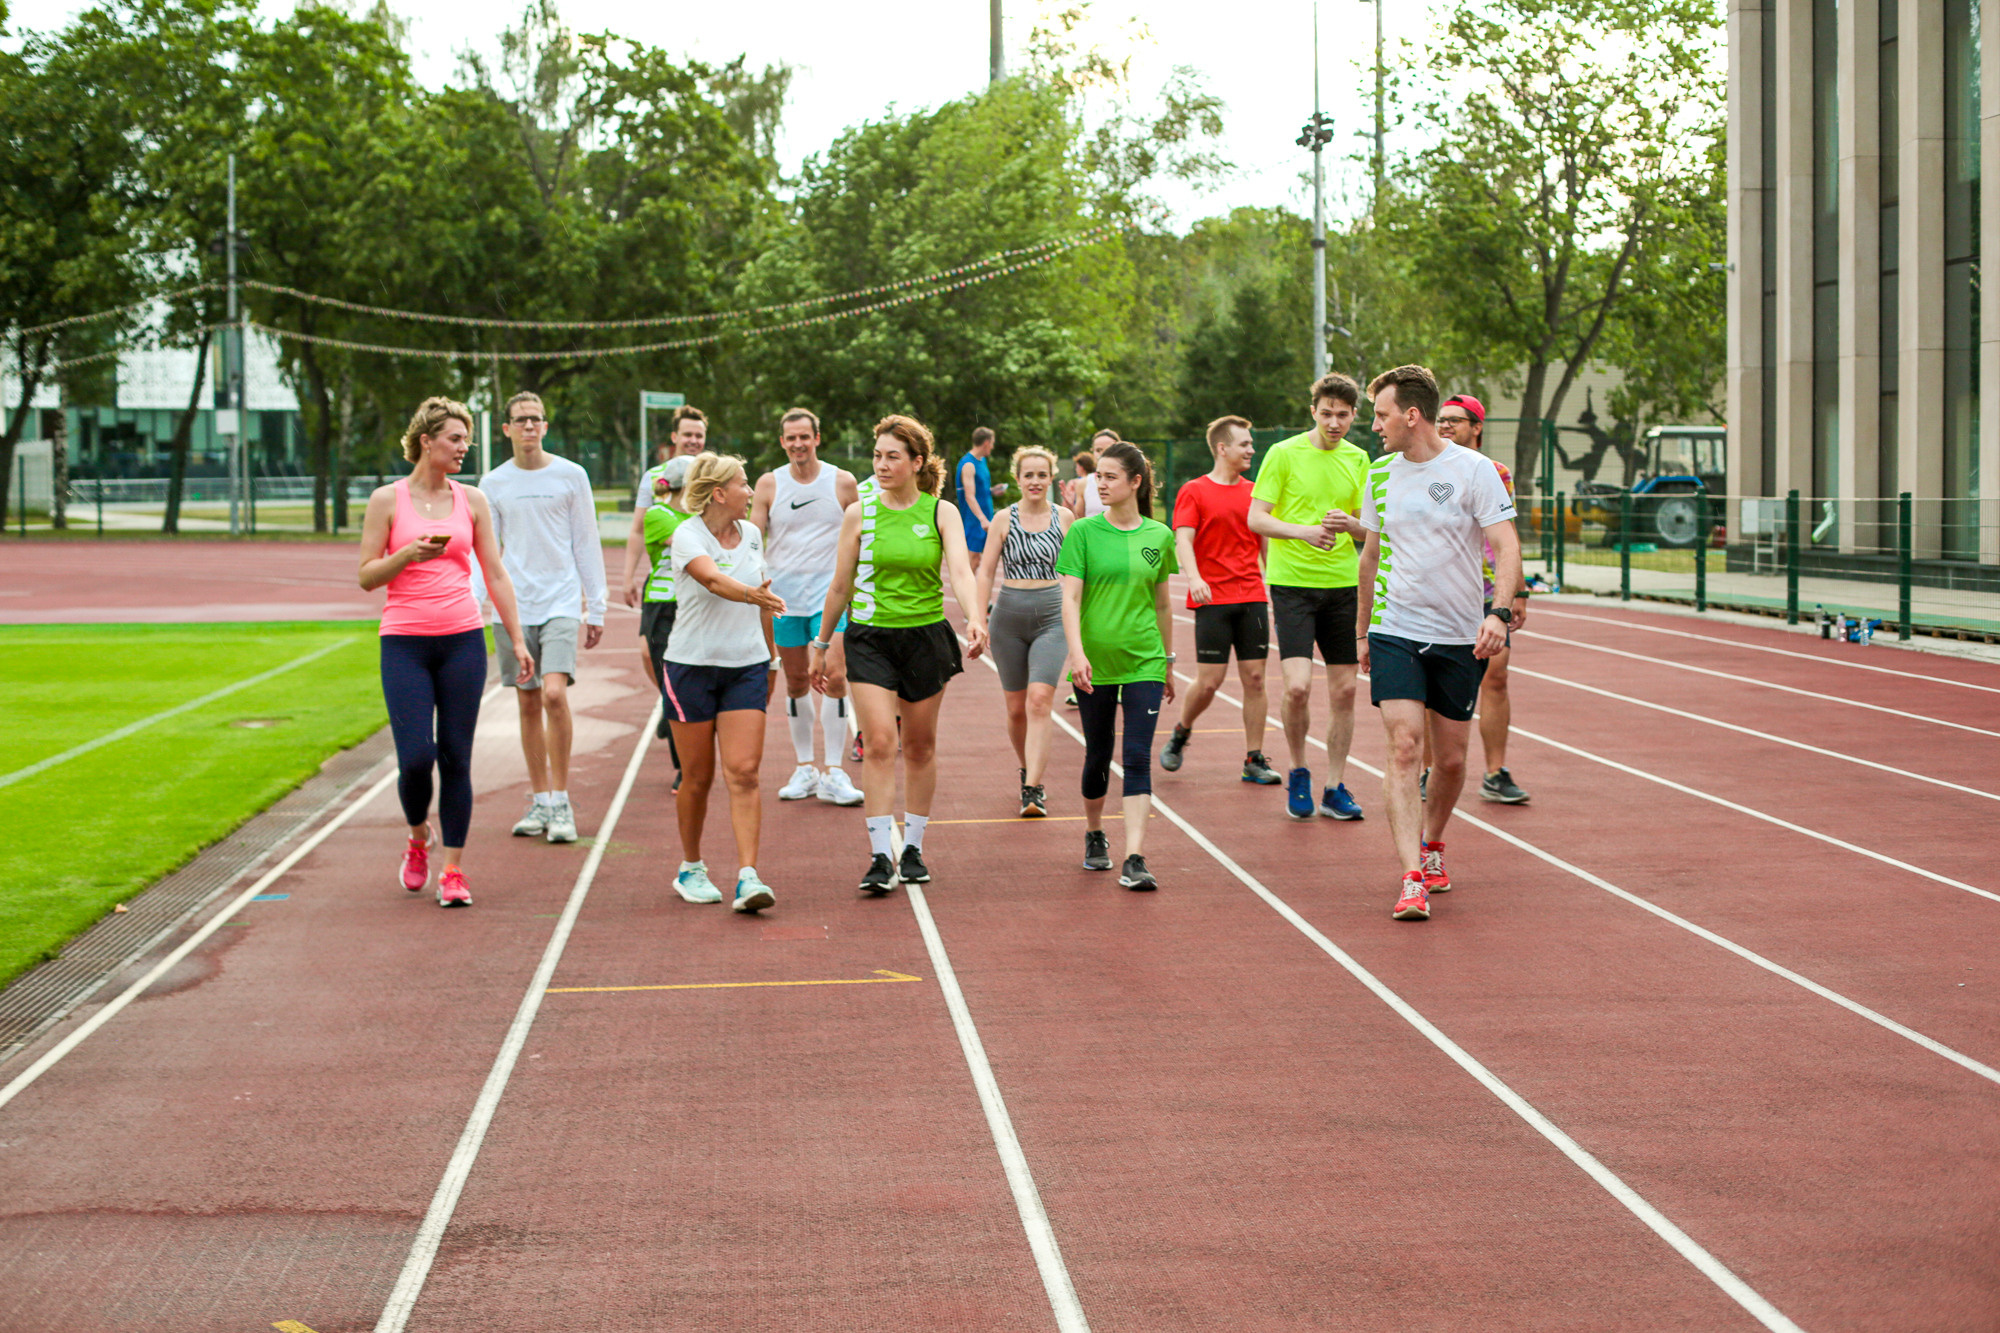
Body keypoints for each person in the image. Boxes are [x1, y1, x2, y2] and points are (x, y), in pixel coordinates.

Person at [1355, 365, 1522, 922]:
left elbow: (1505, 545)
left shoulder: (1476, 471)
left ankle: (1432, 844)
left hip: (1458, 635)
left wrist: (1499, 612)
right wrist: (1362, 631)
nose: (1374, 425)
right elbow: (1370, 557)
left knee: (1449, 760)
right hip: (1395, 628)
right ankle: (1411, 878)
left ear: (1411, 415)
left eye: (1381, 415)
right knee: (1404, 747)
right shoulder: (1379, 474)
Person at [359, 397, 535, 908]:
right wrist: (407, 554)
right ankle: (418, 837)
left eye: (466, 440)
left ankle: (453, 870)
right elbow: (367, 575)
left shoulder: (472, 500)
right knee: (416, 759)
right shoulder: (387, 500)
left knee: (457, 758)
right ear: (426, 441)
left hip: (462, 641)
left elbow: (495, 572)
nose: (464, 448)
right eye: (455, 439)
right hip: (404, 643)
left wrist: (516, 639)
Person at [811, 415, 990, 895]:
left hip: (925, 639)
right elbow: (840, 585)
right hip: (870, 639)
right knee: (879, 743)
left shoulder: (941, 513)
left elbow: (961, 571)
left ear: (916, 462)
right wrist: (822, 645)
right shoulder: (860, 514)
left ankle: (912, 848)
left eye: (893, 457)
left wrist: (975, 617)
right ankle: (878, 856)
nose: (882, 465)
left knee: (920, 746)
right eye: (877, 456)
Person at [479, 392, 607, 845]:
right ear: (506, 429)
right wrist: (480, 602)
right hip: (515, 606)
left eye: (536, 419)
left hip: (561, 602)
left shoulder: (571, 476)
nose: (529, 426)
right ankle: (540, 800)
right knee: (528, 701)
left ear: (546, 427)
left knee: (554, 694)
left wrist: (597, 604)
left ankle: (562, 799)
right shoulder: (493, 483)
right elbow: (487, 551)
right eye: (520, 420)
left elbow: (586, 541)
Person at [662, 452, 786, 913]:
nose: (750, 491)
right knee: (697, 777)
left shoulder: (751, 534)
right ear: (718, 493)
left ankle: (748, 876)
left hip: (746, 666)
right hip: (690, 667)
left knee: (745, 772)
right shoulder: (687, 535)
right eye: (743, 483)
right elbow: (712, 581)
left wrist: (771, 660)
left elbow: (764, 599)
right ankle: (691, 867)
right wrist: (753, 594)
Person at [1247, 373, 1371, 822]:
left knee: (1345, 691)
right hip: (1293, 585)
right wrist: (1304, 532)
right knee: (1297, 687)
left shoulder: (1359, 459)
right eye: (1326, 414)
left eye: (1343, 415)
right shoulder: (1283, 454)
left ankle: (1335, 786)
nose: (1334, 423)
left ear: (1354, 416)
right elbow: (1256, 518)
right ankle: (1299, 770)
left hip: (1343, 586)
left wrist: (1351, 526)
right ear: (1313, 411)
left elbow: (1368, 529)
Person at [1057, 442, 1177, 890]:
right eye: (1098, 477)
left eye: (1110, 477)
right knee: (1098, 752)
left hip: (1145, 659)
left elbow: (1163, 605)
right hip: (1095, 662)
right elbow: (1070, 598)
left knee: (1137, 755)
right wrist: (1077, 653)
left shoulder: (1159, 536)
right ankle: (1094, 832)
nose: (1101, 484)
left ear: (1135, 482)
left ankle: (1135, 857)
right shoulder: (1083, 533)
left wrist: (1167, 662)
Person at [1159, 416, 1281, 785]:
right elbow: (1183, 539)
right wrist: (1194, 577)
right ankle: (1182, 729)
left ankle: (1254, 758)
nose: (1252, 450)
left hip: (1251, 596)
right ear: (1222, 448)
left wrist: (1275, 587)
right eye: (1245, 444)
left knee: (1256, 678)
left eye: (1251, 444)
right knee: (1210, 682)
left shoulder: (1255, 493)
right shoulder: (1194, 490)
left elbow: (1266, 544)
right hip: (1212, 598)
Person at [752, 407, 864, 807]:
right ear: (782, 442)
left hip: (828, 597)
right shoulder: (769, 484)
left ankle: (833, 771)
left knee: (835, 676)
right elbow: (753, 540)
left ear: (817, 438)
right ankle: (805, 768)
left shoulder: (842, 482)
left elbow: (862, 536)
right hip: (784, 600)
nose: (798, 444)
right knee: (796, 681)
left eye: (804, 436)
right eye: (791, 438)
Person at [1432, 394, 1531, 804]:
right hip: (1441, 590)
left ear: (1477, 427)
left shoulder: (1495, 472)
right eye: (1441, 419)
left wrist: (1519, 590)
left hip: (1489, 590)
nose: (1445, 425)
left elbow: (1508, 533)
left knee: (1496, 675)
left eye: (1455, 420)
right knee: (1434, 681)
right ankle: (1429, 769)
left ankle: (1494, 772)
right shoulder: (1427, 468)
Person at [973, 444, 1072, 817]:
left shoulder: (1065, 518)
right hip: (1009, 620)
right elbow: (985, 572)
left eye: (1042, 475)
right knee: (1016, 709)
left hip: (1052, 616)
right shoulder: (1003, 519)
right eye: (1028, 475)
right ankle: (1026, 768)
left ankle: (1033, 787)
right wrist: (978, 619)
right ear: (1017, 479)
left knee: (1039, 701)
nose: (1035, 481)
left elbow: (1077, 574)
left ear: (1051, 478)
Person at [622, 404, 708, 735]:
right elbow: (638, 530)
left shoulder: (711, 473)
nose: (693, 440)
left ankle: (676, 707)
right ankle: (668, 699)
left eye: (699, 435)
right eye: (687, 434)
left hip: (697, 581)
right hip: (662, 579)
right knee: (648, 652)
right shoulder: (656, 477)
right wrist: (628, 577)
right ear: (674, 437)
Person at [639, 455, 695, 787]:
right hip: (663, 608)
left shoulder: (700, 517)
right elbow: (693, 544)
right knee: (676, 687)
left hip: (696, 606)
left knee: (690, 686)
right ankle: (684, 769)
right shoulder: (659, 514)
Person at [957, 426, 998, 562]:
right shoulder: (968, 464)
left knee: (981, 559)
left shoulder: (982, 461)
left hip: (985, 516)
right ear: (986, 443)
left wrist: (992, 491)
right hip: (974, 519)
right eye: (992, 443)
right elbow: (969, 496)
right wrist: (982, 519)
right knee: (972, 558)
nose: (992, 447)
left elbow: (979, 490)